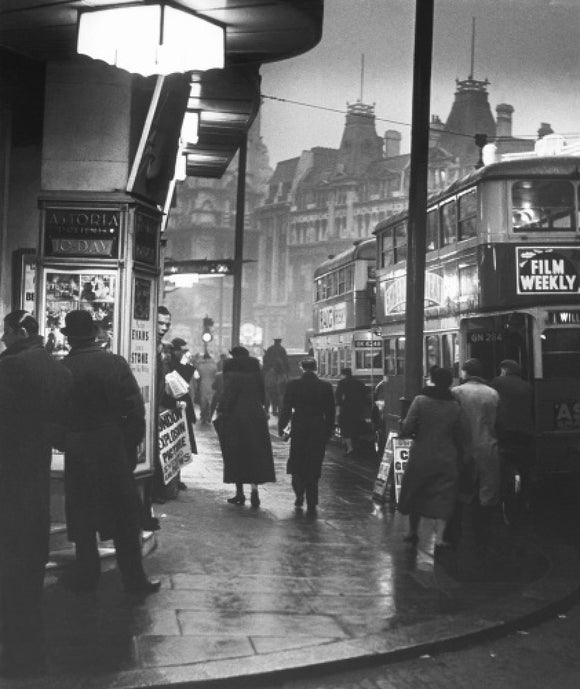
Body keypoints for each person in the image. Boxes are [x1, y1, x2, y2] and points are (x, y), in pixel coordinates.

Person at [60, 310, 160, 597]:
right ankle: (134, 580)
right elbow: (134, 409)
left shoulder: (64, 367)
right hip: (112, 448)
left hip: (79, 451)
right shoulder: (114, 364)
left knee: (83, 517)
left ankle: (86, 577)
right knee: (124, 518)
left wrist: (68, 441)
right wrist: (127, 447)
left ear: (70, 339)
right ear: (94, 334)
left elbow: (56, 416)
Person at [0, 310, 72, 676]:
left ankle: (17, 652)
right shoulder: (52, 365)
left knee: (10, 551)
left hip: (10, 468)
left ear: (16, 331)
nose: (2, 339)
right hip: (37, 467)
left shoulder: (12, 367)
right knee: (29, 547)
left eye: (5, 332)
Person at [398, 367, 463, 549]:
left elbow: (407, 427)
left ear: (432, 380)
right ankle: (440, 538)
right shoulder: (455, 405)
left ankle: (412, 532)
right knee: (444, 495)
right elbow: (459, 433)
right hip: (447, 456)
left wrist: (404, 427)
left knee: (416, 491)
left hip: (422, 454)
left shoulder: (420, 401)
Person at [216, 346, 276, 507]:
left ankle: (240, 493)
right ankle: (255, 490)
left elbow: (227, 396)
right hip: (256, 417)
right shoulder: (257, 374)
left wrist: (220, 411)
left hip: (236, 418)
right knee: (255, 454)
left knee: (236, 454)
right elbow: (264, 397)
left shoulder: (232, 374)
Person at [451, 357, 501, 550]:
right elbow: (498, 422)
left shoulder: (457, 392)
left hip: (463, 446)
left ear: (465, 373)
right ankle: (484, 532)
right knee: (488, 490)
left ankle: (459, 532)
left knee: (463, 489)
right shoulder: (493, 393)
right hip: (488, 444)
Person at [278, 357, 335, 514]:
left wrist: (282, 427)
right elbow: (330, 412)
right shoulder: (325, 386)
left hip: (299, 426)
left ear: (301, 368)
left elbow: (286, 408)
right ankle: (312, 499)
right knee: (314, 462)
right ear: (316, 367)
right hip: (318, 427)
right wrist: (328, 431)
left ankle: (299, 492)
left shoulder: (293, 385)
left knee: (297, 460)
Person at [490, 359, 535, 508]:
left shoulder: (497, 383)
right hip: (525, 433)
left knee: (502, 465)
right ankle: (526, 498)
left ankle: (502, 495)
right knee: (525, 466)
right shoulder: (528, 386)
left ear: (504, 370)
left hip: (505, 432)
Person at [335, 367, 367, 456]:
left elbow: (338, 396)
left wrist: (339, 406)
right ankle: (356, 446)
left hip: (346, 409)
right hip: (358, 409)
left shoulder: (342, 383)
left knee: (346, 429)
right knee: (355, 427)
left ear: (343, 375)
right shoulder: (359, 383)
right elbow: (365, 395)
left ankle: (350, 448)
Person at [262, 338, 290, 416]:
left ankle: (266, 411)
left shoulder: (270, 349)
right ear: (280, 342)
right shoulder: (282, 349)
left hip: (269, 371)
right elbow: (285, 360)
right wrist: (287, 371)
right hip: (280, 372)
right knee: (280, 395)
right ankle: (279, 411)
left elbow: (265, 359)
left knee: (268, 395)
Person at [196, 350, 218, 423]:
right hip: (212, 383)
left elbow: (197, 372)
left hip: (203, 383)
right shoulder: (214, 365)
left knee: (203, 400)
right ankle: (209, 415)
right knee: (211, 400)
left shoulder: (200, 365)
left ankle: (203, 415)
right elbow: (216, 373)